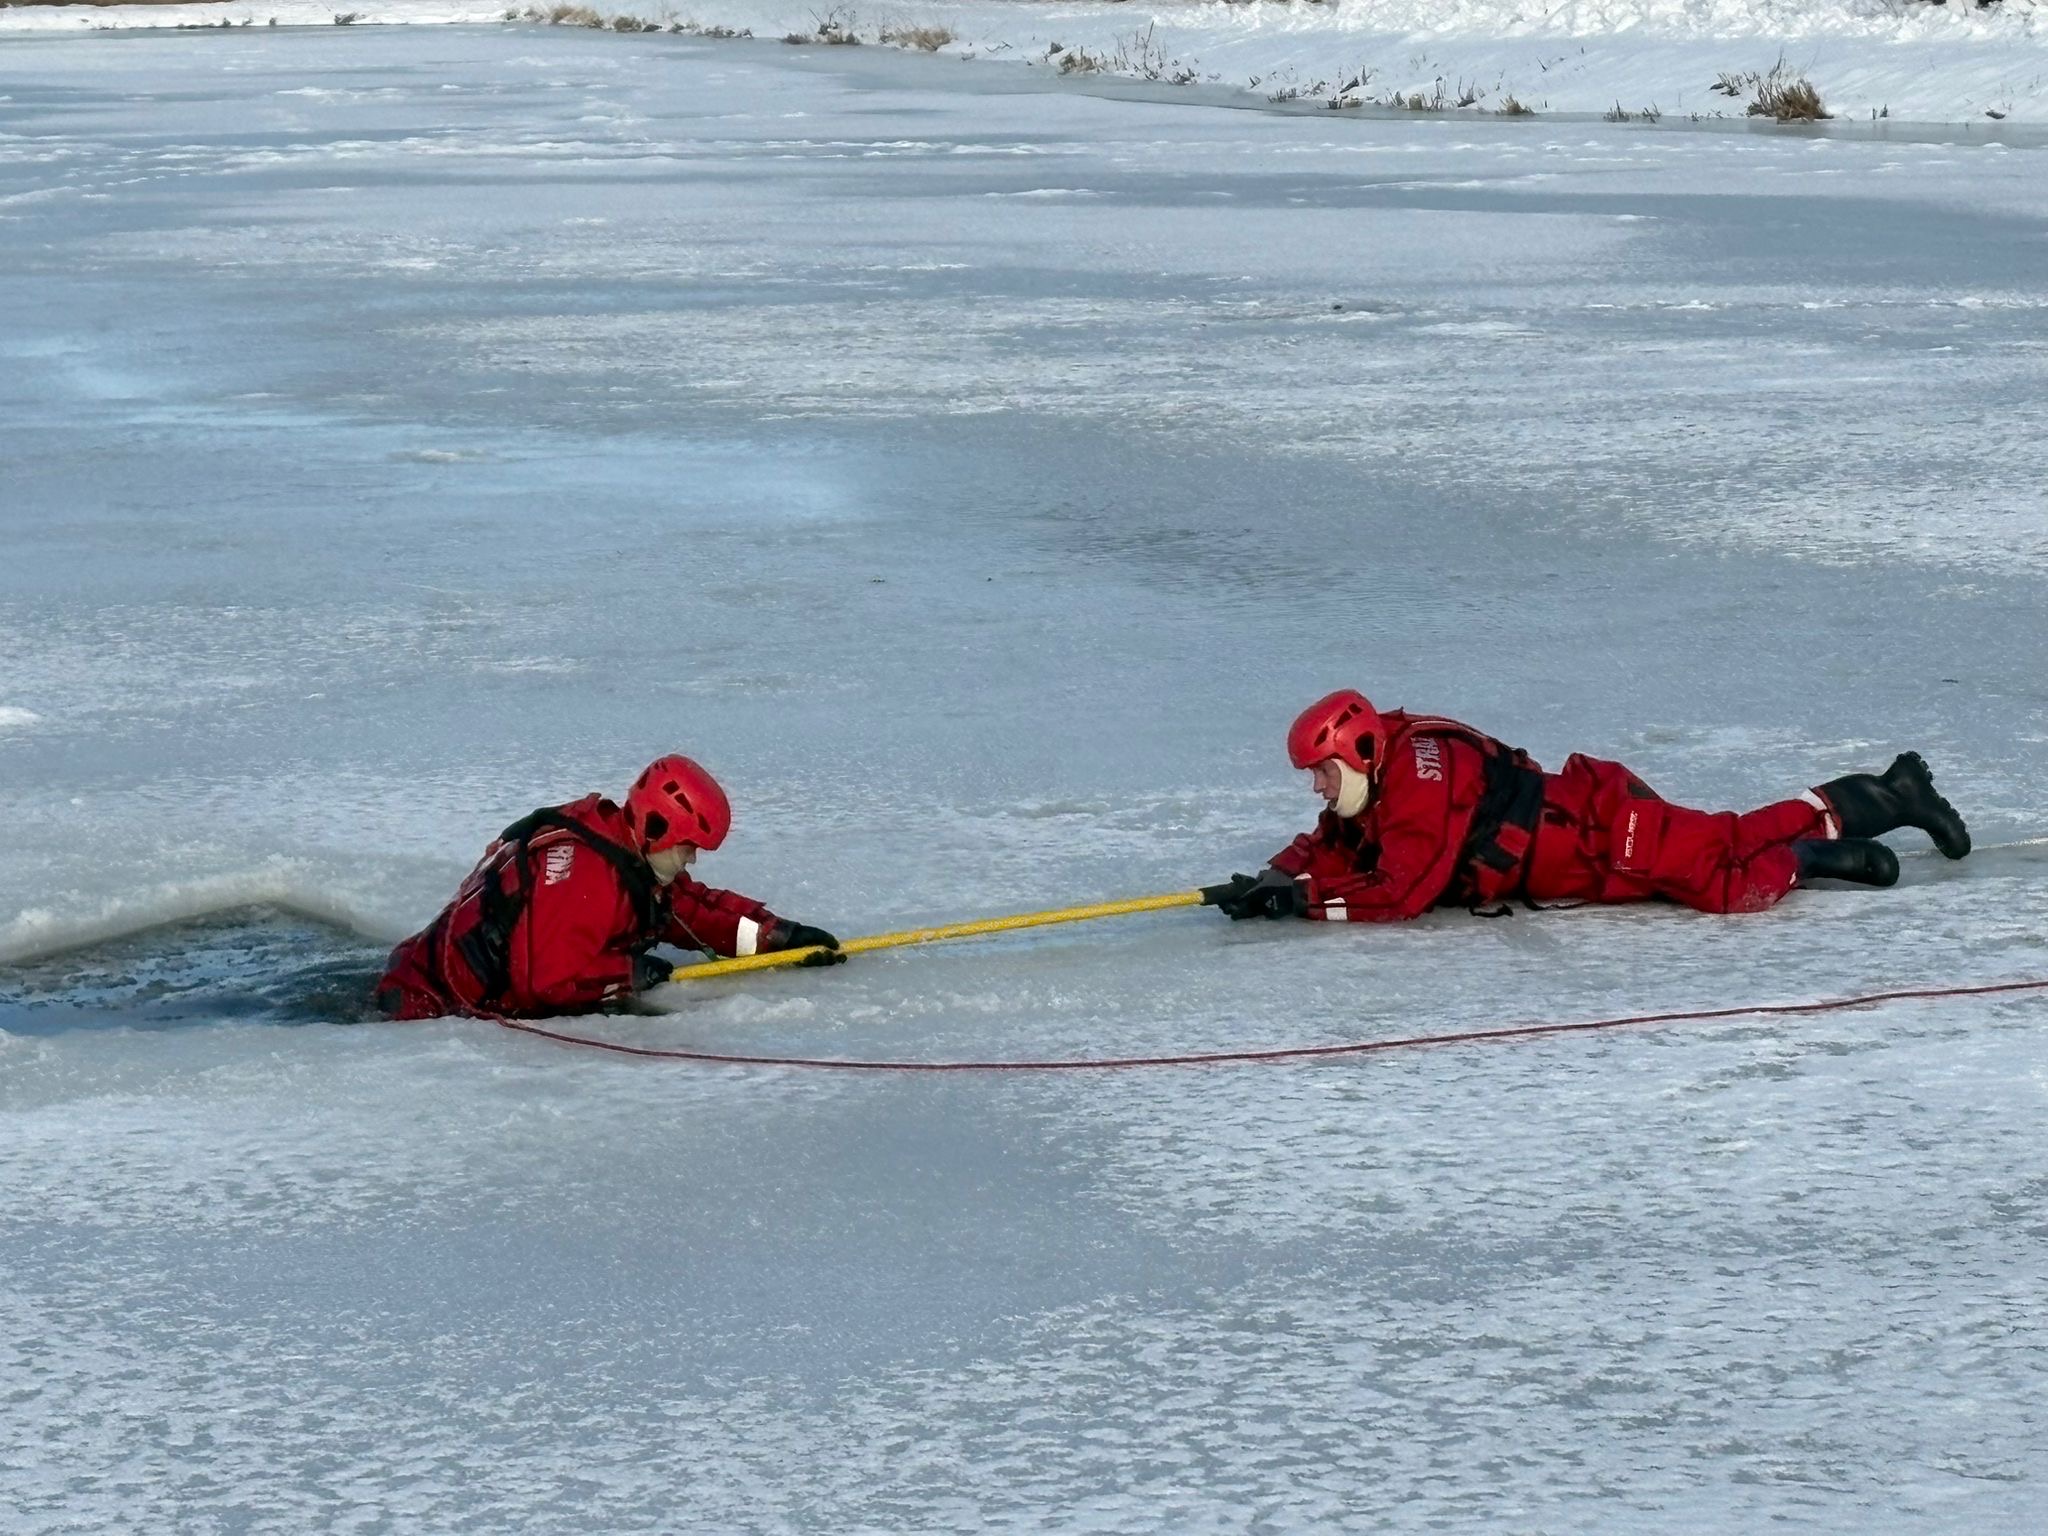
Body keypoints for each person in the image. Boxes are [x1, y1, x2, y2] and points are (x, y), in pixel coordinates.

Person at [1205, 690, 1971, 923]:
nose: (1317, 787)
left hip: (1603, 829)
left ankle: (1867, 813)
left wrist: (1301, 903)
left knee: (1729, 874)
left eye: (1322, 771)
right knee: (1725, 860)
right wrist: (1272, 876)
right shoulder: (1379, 780)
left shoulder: (1422, 777)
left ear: (1361, 753)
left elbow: (1404, 888)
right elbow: (1332, 844)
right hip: (1588, 856)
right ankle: (1875, 809)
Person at [375, 755, 843, 1020]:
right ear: (656, 830)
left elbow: (688, 910)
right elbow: (544, 983)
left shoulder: (626, 853)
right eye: (687, 848)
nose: (692, 860)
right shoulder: (584, 877)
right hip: (423, 1008)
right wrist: (628, 973)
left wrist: (777, 937)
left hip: (424, 981)